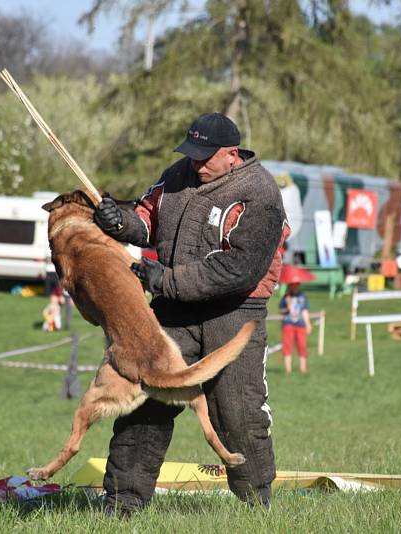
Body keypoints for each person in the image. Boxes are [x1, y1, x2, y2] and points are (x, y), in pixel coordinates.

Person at [92, 111, 290, 512]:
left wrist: (163, 279)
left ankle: (257, 507)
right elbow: (146, 220)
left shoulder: (261, 194)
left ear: (231, 154)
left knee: (237, 414)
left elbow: (236, 271)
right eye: (191, 154)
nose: (195, 164)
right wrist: (119, 222)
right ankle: (121, 504)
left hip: (234, 313)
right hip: (173, 313)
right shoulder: (178, 174)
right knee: (144, 403)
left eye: (204, 156)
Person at [278, 282, 312, 374]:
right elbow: (280, 310)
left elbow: (305, 311)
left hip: (300, 324)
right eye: (293, 284)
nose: (295, 286)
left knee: (302, 346)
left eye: (297, 284)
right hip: (288, 324)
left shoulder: (302, 296)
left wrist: (308, 324)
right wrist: (287, 308)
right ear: (290, 285)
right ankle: (288, 370)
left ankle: (303, 369)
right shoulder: (286, 297)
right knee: (287, 346)